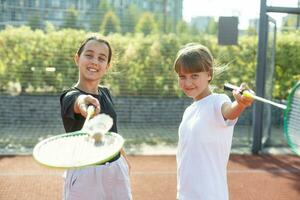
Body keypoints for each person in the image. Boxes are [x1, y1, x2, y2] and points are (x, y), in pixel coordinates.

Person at [174, 43, 254, 200]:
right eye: (182, 76)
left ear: (209, 74)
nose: (187, 83)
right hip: (185, 195)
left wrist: (241, 103)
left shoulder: (218, 101)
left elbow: (229, 112)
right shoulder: (189, 111)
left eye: (194, 75)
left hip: (210, 195)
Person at [60, 36, 132, 200]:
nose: (94, 61)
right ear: (77, 58)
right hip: (85, 171)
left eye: (101, 58)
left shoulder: (106, 92)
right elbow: (78, 102)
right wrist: (85, 103)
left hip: (115, 166)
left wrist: (124, 159)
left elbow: (111, 131)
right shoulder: (69, 96)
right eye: (89, 55)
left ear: (107, 66)